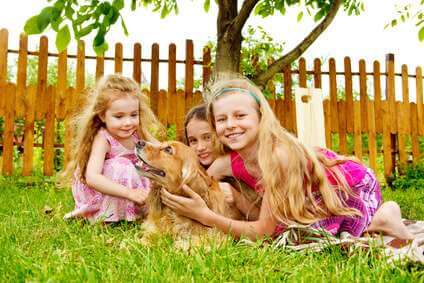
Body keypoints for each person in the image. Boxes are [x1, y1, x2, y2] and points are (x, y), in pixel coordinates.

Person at [161, 73, 414, 241]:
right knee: (286, 225)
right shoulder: (227, 161)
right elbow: (197, 185)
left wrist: (206, 216)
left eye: (240, 116)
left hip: (349, 184)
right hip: (307, 195)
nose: (230, 125)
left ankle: (384, 216)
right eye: (221, 119)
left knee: (297, 236)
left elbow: (262, 231)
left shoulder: (277, 156)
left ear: (260, 117)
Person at [62, 74, 164, 223]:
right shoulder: (103, 138)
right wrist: (129, 193)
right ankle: (108, 217)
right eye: (119, 116)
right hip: (104, 192)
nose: (128, 122)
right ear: (103, 116)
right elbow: (92, 177)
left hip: (133, 192)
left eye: (134, 115)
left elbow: (160, 151)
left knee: (147, 165)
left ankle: (140, 212)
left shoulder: (139, 132)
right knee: (123, 165)